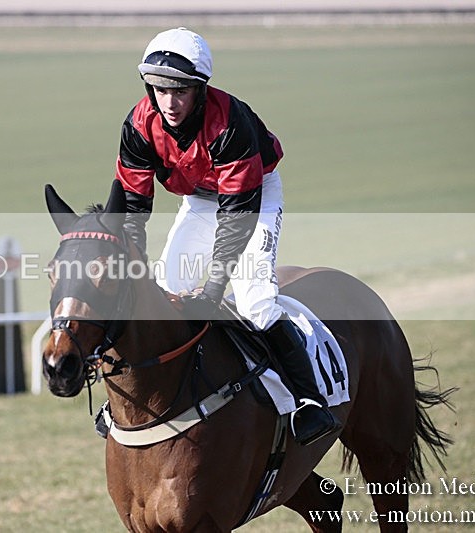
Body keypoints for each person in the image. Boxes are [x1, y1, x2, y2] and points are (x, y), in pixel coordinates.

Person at [114, 27, 340, 446]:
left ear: (201, 88)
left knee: (254, 301)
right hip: (201, 199)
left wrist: (216, 285)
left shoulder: (229, 122)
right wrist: (132, 263)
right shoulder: (139, 124)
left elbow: (236, 219)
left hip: (252, 196)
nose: (169, 102)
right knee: (166, 289)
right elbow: (132, 205)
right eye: (159, 90)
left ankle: (308, 401)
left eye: (180, 91)